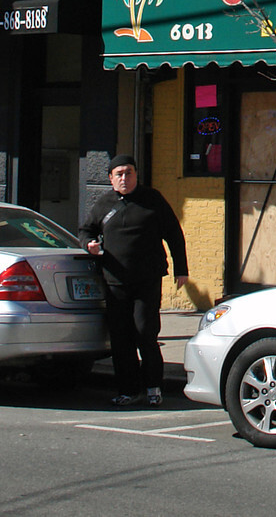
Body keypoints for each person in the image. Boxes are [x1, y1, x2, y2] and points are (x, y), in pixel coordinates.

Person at [82, 154, 190, 408]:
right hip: (114, 281)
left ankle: (153, 387)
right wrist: (89, 245)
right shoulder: (104, 203)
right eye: (119, 174)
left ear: (136, 175)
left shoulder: (152, 200)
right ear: (110, 178)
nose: (124, 178)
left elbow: (174, 234)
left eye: (129, 173)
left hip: (147, 280)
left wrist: (181, 269)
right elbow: (86, 229)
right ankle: (128, 390)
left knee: (145, 333)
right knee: (121, 339)